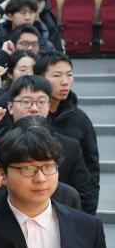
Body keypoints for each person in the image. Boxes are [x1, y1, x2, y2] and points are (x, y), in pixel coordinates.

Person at [0, 75, 96, 214]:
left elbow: (84, 196)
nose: (34, 108)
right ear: (10, 107)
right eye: (26, 102)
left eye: (41, 102)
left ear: (48, 106)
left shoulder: (69, 146)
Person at [36, 52, 100, 208]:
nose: (65, 82)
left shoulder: (80, 119)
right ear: (39, 78)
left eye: (69, 75)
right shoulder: (29, 115)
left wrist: (87, 212)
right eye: (57, 75)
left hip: (69, 205)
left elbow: (92, 169)